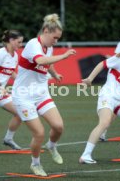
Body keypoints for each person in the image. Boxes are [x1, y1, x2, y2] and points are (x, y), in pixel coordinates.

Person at [12, 13, 76, 176]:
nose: (56, 41)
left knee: (58, 126)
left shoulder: (49, 47)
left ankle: (52, 146)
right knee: (39, 133)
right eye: (55, 37)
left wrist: (54, 74)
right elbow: (41, 61)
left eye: (58, 38)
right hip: (24, 96)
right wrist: (63, 56)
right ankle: (35, 164)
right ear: (46, 31)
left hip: (41, 94)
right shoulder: (34, 44)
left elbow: (48, 62)